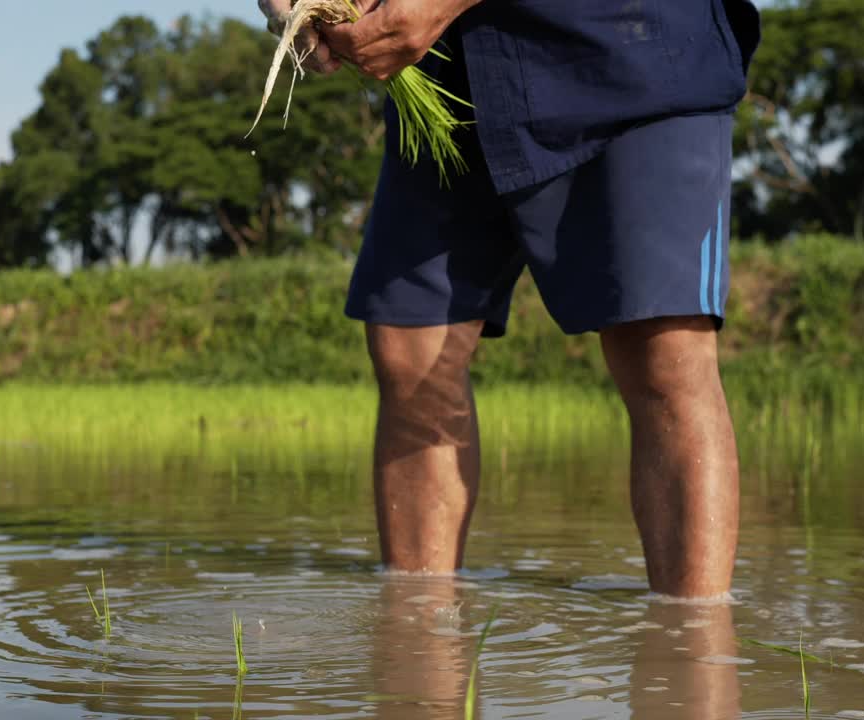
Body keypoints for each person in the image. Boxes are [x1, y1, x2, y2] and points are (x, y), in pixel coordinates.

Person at [258, 0, 761, 599]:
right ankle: (419, 643)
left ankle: (694, 649)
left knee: (664, 353)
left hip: (628, 47)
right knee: (411, 353)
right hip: (446, 72)